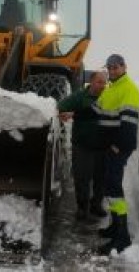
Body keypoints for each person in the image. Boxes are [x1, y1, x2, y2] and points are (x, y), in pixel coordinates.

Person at [92, 53, 139, 255]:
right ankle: (114, 227)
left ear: (124, 67)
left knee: (114, 188)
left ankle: (123, 237)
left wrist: (118, 146)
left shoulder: (129, 89)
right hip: (109, 146)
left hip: (118, 147)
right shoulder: (112, 88)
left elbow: (129, 125)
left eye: (116, 67)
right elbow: (97, 110)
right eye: (110, 68)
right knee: (109, 185)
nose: (112, 71)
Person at [57, 71, 108, 221]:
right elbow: (61, 106)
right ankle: (82, 209)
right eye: (99, 82)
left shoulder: (107, 96)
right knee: (82, 178)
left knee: (101, 178)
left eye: (104, 82)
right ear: (91, 82)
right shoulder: (80, 96)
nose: (102, 85)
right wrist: (66, 113)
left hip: (102, 146)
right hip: (83, 146)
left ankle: (96, 205)